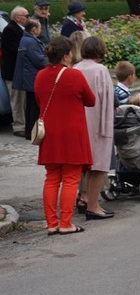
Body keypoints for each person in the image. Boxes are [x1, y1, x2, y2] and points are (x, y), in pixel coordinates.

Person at [35, 36, 95, 235]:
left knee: (51, 178)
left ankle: (52, 223)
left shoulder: (40, 76)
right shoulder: (74, 76)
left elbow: (38, 99)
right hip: (72, 133)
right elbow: (91, 100)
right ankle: (66, 223)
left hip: (49, 133)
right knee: (70, 178)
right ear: (67, 56)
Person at [74, 36, 115, 220]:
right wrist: (108, 127)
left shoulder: (76, 68)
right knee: (98, 167)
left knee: (84, 167)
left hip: (79, 123)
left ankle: (92, 202)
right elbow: (107, 100)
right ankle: (93, 205)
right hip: (98, 123)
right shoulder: (100, 70)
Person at [12, 19, 47, 140]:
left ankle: (29, 131)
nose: (40, 30)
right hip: (32, 77)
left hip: (28, 76)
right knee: (34, 106)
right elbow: (39, 60)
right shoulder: (31, 42)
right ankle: (33, 132)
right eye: (39, 28)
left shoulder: (25, 39)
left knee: (30, 105)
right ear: (34, 30)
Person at [1, 6, 29, 137]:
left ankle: (23, 124)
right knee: (16, 100)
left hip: (20, 71)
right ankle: (19, 126)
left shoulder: (20, 29)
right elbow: (16, 49)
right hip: (13, 72)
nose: (28, 18)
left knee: (22, 99)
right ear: (18, 18)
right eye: (26, 15)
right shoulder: (10, 30)